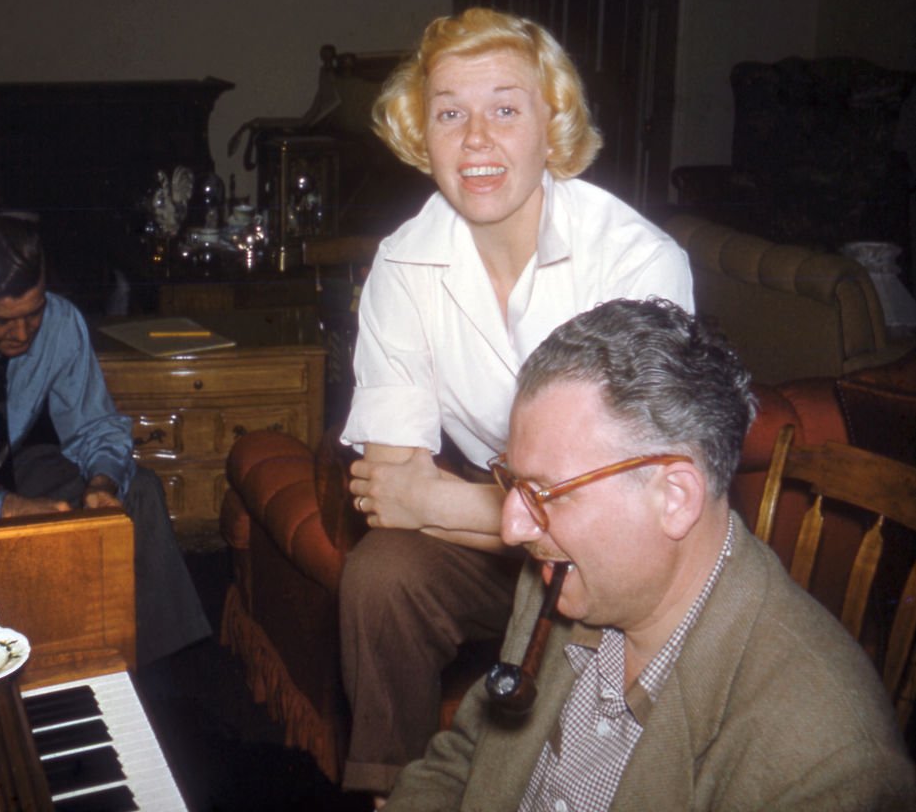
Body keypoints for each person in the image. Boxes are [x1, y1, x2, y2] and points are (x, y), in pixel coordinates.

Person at [339, 8, 694, 798]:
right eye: (449, 113)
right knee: (382, 576)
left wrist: (442, 497)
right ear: (417, 134)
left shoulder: (636, 264)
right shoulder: (403, 261)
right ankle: (390, 793)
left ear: (551, 126)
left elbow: (618, 516)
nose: (475, 140)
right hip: (509, 547)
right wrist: (451, 503)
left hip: (626, 557)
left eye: (505, 108)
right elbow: (392, 491)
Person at [383, 298, 916, 810]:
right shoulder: (558, 580)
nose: (513, 525)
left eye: (546, 493)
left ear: (675, 498)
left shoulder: (829, 765)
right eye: (514, 483)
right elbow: (469, 754)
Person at [0, 213, 210, 666]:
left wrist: (102, 483)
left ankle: (150, 670)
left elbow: (95, 426)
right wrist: (5, 508)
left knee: (139, 490)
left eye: (32, 313)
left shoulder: (60, 322)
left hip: (14, 461)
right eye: (2, 321)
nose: (21, 333)